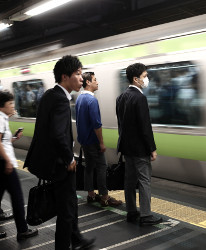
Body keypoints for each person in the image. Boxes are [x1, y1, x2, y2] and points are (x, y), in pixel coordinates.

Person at [24, 55, 95, 250]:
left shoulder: (50, 94)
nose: (82, 78)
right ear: (65, 77)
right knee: (66, 211)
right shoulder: (61, 100)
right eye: (78, 74)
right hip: (61, 164)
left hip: (49, 162)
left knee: (70, 202)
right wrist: (68, 158)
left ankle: (77, 238)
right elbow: (57, 133)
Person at [116, 63, 163, 226]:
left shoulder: (121, 97)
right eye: (144, 76)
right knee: (144, 180)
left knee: (129, 181)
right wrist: (152, 148)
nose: (147, 79)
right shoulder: (140, 98)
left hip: (126, 148)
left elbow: (121, 125)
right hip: (140, 149)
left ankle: (131, 211)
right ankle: (146, 215)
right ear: (136, 79)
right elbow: (145, 126)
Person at [75, 72, 122, 207]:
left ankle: (90, 194)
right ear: (88, 82)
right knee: (102, 166)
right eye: (95, 80)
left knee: (89, 167)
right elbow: (96, 124)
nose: (97, 82)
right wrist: (101, 142)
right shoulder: (92, 100)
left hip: (83, 140)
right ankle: (105, 197)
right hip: (93, 141)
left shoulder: (79, 99)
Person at [0, 90, 38, 240]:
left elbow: (3, 142)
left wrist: (14, 138)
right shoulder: (1, 119)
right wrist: (8, 161)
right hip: (4, 163)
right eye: (10, 103)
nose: (12, 106)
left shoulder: (3, 118)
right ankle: (22, 230)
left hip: (3, 163)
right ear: (2, 106)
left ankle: (22, 229)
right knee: (17, 197)